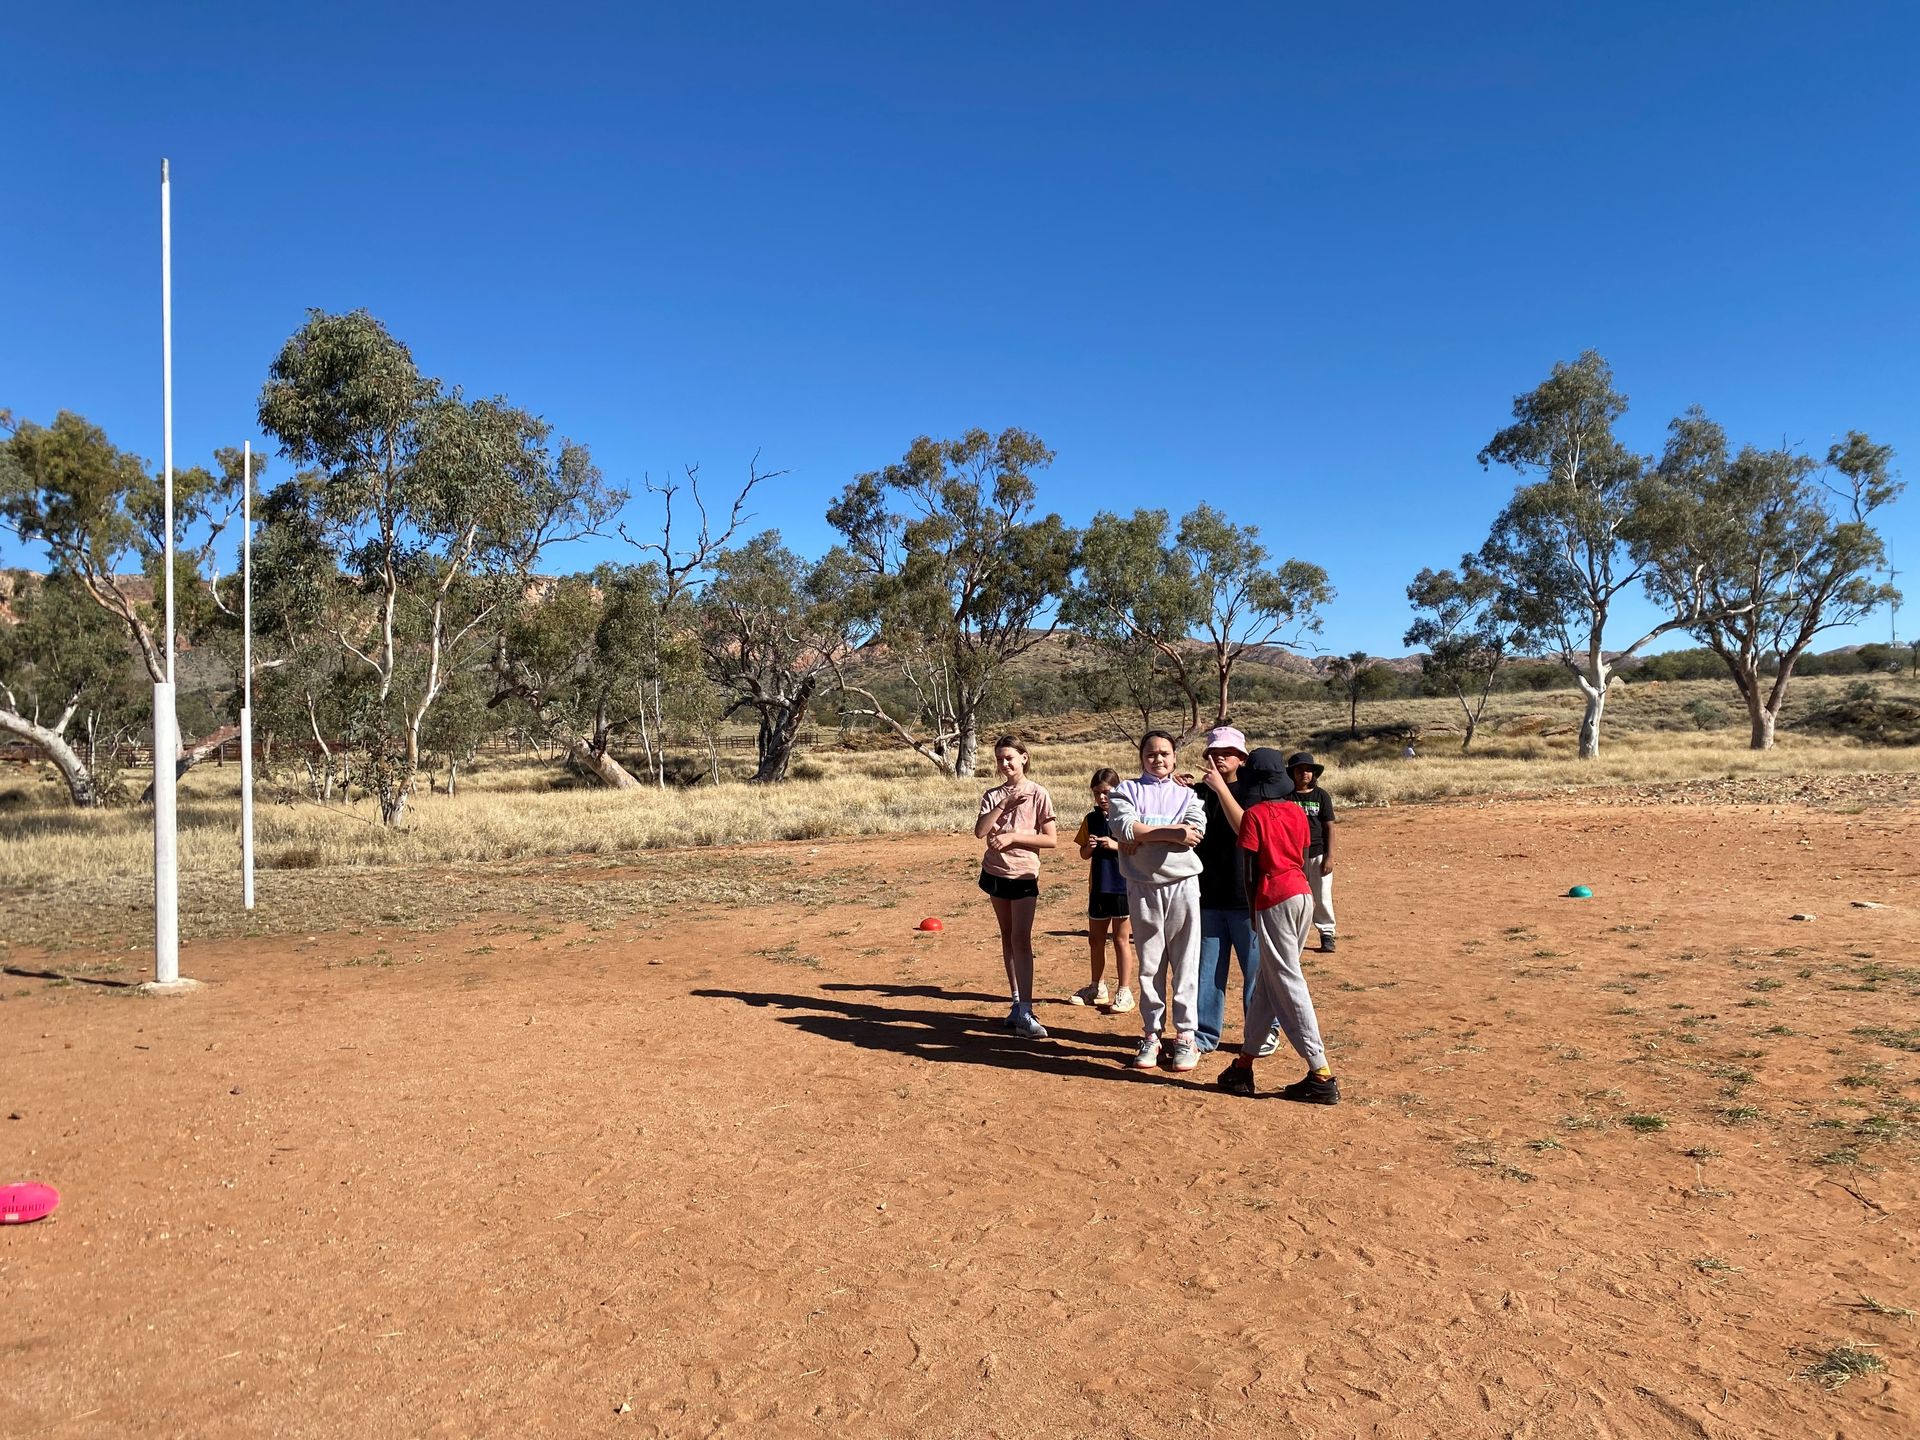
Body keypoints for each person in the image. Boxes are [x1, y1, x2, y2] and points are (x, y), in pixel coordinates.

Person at [1216, 747, 1341, 1104]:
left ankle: (1321, 1072)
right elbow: (1301, 857)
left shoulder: (1254, 816)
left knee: (1285, 978)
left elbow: (1250, 869)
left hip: (1272, 897)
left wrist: (1255, 911)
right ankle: (1243, 1066)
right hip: (1301, 893)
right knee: (1270, 982)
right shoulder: (1297, 812)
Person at [1107, 730, 1208, 1073]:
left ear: (1175, 757)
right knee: (1150, 963)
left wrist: (1144, 833)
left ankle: (1185, 1036)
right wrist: (1170, 833)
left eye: (1165, 753)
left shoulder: (1188, 794)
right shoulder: (1126, 790)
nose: (1158, 759)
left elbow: (1194, 832)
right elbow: (1122, 827)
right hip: (1142, 885)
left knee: (1185, 962)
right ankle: (1151, 1034)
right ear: (1141, 759)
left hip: (1183, 884)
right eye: (1151, 754)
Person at [1190, 725, 1279, 1056]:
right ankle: (1204, 1033)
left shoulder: (1253, 792)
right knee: (1208, 972)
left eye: (1226, 752)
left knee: (1255, 971)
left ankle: (1263, 1030)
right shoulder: (1200, 793)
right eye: (1212, 752)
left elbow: (1244, 828)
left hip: (1247, 898)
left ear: (1242, 758)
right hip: (1208, 895)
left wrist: (1219, 789)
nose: (1218, 757)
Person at [975, 735, 1058, 1039]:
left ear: (1024, 757)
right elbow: (980, 830)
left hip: (1023, 874)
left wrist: (1013, 838)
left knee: (1022, 938)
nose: (1005, 763)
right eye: (999, 759)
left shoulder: (1038, 794)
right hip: (995, 872)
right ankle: (1015, 1004)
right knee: (1008, 937)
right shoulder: (992, 794)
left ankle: (1026, 1008)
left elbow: (1051, 839)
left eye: (1010, 757)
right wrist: (1003, 804)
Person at [1072, 767, 1137, 1012]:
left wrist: (1114, 845)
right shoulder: (1091, 819)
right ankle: (1096, 986)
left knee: (1121, 940)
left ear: (1117, 791)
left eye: (1106, 792)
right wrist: (1089, 847)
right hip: (1099, 886)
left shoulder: (1128, 817)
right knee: (1095, 939)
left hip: (1122, 886)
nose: (1101, 798)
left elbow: (1137, 849)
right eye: (1097, 793)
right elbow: (1082, 854)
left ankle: (1124, 990)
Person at [1282, 751, 1337, 953]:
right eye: (1299, 770)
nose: (1304, 774)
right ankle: (1293, 934)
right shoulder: (1286, 797)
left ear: (1313, 774)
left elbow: (1329, 827)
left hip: (1318, 853)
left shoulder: (1321, 796)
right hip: (1293, 856)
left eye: (1308, 770)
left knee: (1322, 895)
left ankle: (1327, 933)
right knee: (1296, 896)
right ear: (1292, 774)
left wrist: (1330, 857)